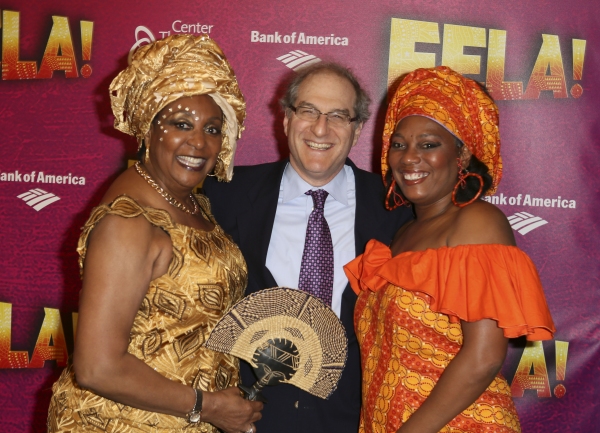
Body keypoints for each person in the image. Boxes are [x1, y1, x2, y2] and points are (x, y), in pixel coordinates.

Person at [47, 34, 263, 433]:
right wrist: (209, 405)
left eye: (213, 129)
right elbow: (97, 367)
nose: (198, 142)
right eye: (181, 124)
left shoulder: (190, 202)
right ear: (148, 127)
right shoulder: (129, 222)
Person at [344, 66, 556, 433]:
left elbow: (484, 357)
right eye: (398, 144)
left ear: (461, 155)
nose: (409, 158)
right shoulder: (401, 236)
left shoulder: (477, 222)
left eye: (428, 144)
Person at [203, 63, 413, 433]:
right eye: (308, 111)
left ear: (358, 128)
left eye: (338, 116)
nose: (320, 128)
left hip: (353, 419)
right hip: (246, 419)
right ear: (286, 119)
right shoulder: (224, 195)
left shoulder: (398, 210)